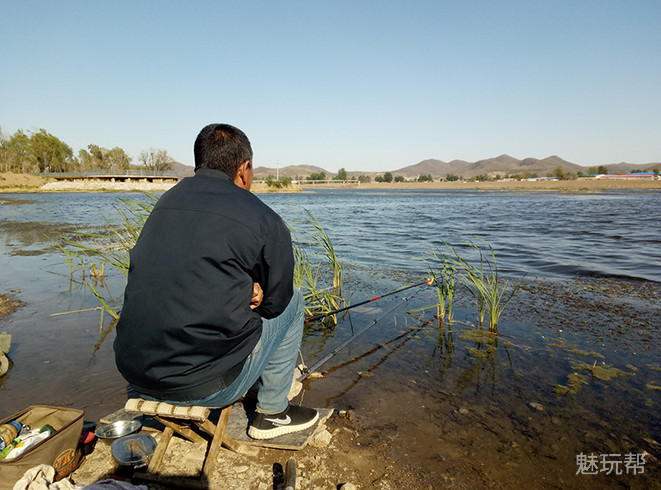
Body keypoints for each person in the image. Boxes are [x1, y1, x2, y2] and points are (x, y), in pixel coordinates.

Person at [113, 123, 318, 439]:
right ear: (244, 169)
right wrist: (256, 293)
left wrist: (240, 288)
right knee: (295, 302)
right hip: (202, 389)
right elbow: (277, 302)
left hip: (136, 379)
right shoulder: (263, 218)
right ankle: (273, 413)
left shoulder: (164, 204)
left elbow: (186, 270)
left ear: (199, 163)